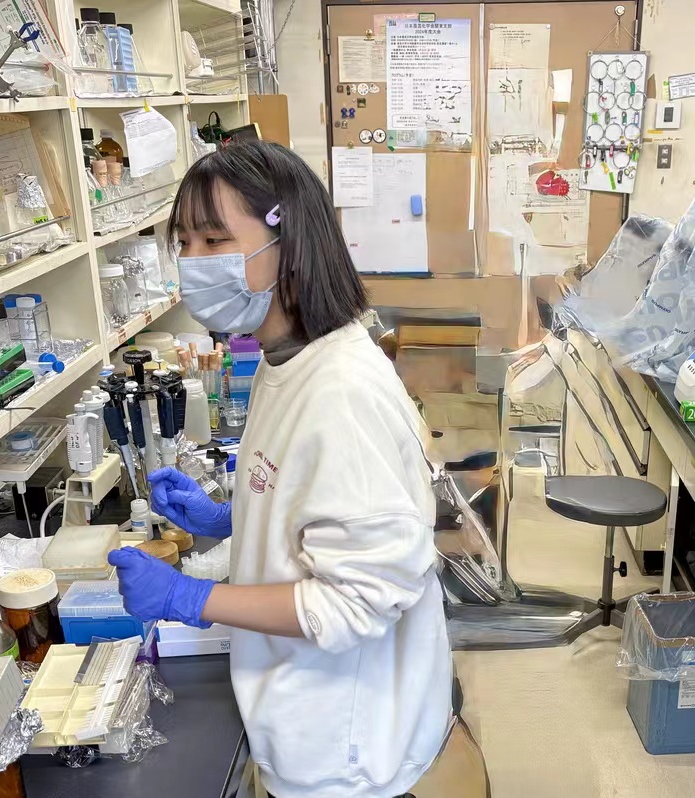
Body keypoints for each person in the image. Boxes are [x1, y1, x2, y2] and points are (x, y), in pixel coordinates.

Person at [107, 141, 453, 798]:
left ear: (288, 245)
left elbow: (356, 602)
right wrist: (235, 516)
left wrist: (190, 599)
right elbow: (316, 500)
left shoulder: (340, 393)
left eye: (215, 240)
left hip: (345, 744)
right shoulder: (286, 357)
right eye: (185, 243)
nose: (194, 263)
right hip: (301, 708)